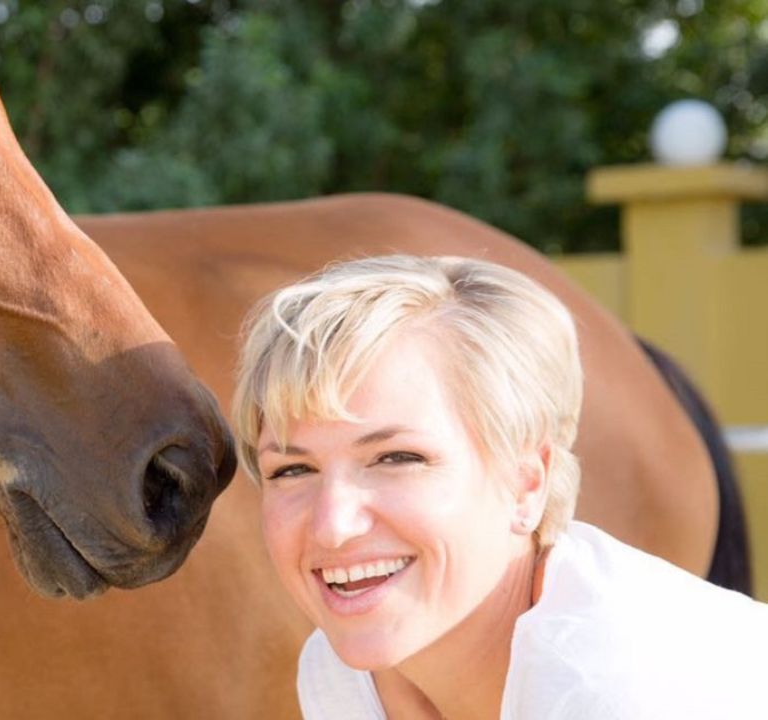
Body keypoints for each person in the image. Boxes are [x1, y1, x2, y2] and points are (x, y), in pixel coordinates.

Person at [230, 255, 768, 719]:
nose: (333, 526)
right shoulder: (339, 677)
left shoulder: (625, 694)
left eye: (398, 458)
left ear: (526, 484)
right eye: (292, 470)